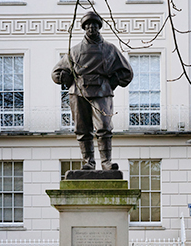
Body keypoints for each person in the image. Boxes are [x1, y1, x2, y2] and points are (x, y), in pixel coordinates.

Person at [52, 11, 133, 170]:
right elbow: (56, 72)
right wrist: (66, 78)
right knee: (82, 129)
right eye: (88, 25)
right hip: (78, 92)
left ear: (99, 27)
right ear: (84, 28)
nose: (91, 28)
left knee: (104, 127)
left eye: (94, 25)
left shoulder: (110, 49)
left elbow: (127, 72)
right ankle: (88, 162)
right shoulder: (74, 50)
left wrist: (111, 83)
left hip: (102, 91)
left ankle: (106, 162)